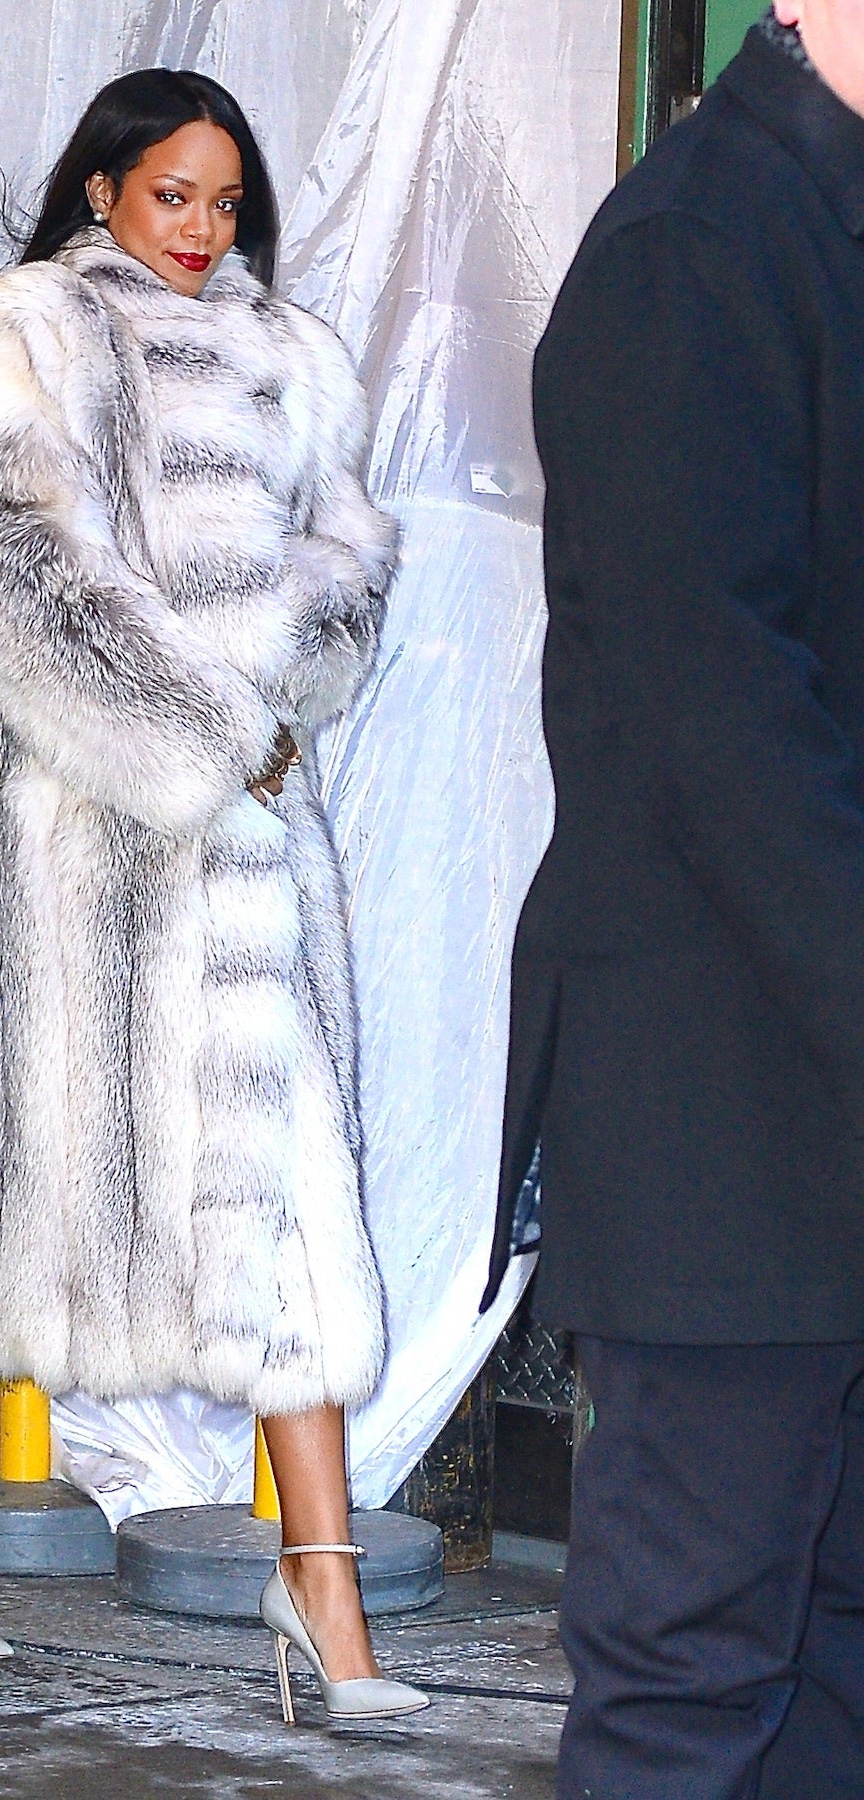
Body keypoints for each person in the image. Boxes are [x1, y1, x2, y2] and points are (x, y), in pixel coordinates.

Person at [0, 68, 426, 1720]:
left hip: (236, 840)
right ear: (101, 185)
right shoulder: (8, 340)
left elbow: (353, 564)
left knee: (288, 1197)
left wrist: (265, 688)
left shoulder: (290, 360)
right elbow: (22, 592)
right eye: (172, 193)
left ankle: (322, 1586)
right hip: (35, 817)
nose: (199, 229)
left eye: (224, 201)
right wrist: (211, 730)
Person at [483, 6, 864, 1795]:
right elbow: (724, 728)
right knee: (689, 1679)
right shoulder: (691, 247)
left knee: (835, 1657)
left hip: (818, 1082)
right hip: (720, 1104)